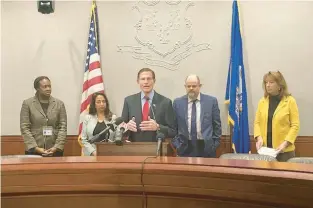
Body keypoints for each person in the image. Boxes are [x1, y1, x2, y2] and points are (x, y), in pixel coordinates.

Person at [254, 71, 300, 162]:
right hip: (265, 151)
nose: (268, 85)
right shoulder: (262, 102)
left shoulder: (290, 101)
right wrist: (259, 138)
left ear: (280, 85)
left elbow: (295, 125)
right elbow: (257, 122)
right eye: (266, 82)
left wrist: (285, 143)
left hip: (284, 152)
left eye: (271, 82)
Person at [172, 74, 222, 157]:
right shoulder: (178, 103)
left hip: (206, 146)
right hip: (184, 146)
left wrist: (214, 145)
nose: (191, 88)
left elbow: (217, 125)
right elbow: (173, 126)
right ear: (185, 87)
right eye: (188, 86)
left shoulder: (211, 101)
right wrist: (177, 145)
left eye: (194, 86)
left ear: (200, 86)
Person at [121, 68, 176, 142]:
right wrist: (127, 126)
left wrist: (157, 127)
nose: (146, 82)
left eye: (149, 79)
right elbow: (122, 128)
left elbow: (173, 131)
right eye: (143, 79)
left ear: (154, 81)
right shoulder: (129, 101)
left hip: (157, 148)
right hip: (134, 148)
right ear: (138, 81)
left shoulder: (165, 102)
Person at [20, 76, 67, 157]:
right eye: (45, 86)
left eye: (49, 86)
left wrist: (56, 147)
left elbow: (63, 127)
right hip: (34, 150)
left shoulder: (59, 104)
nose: (48, 88)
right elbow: (24, 127)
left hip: (54, 150)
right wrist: (36, 148)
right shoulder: (27, 103)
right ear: (37, 88)